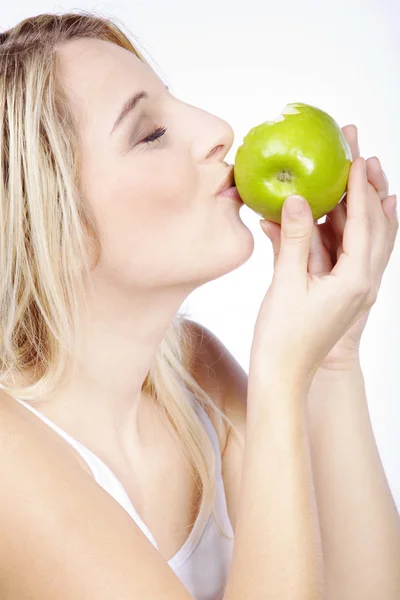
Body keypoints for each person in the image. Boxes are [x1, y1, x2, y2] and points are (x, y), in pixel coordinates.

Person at [0, 10, 399, 600]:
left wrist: (334, 359)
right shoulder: (11, 467)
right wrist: (281, 382)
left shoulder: (191, 371)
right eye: (149, 133)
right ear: (49, 224)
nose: (218, 128)